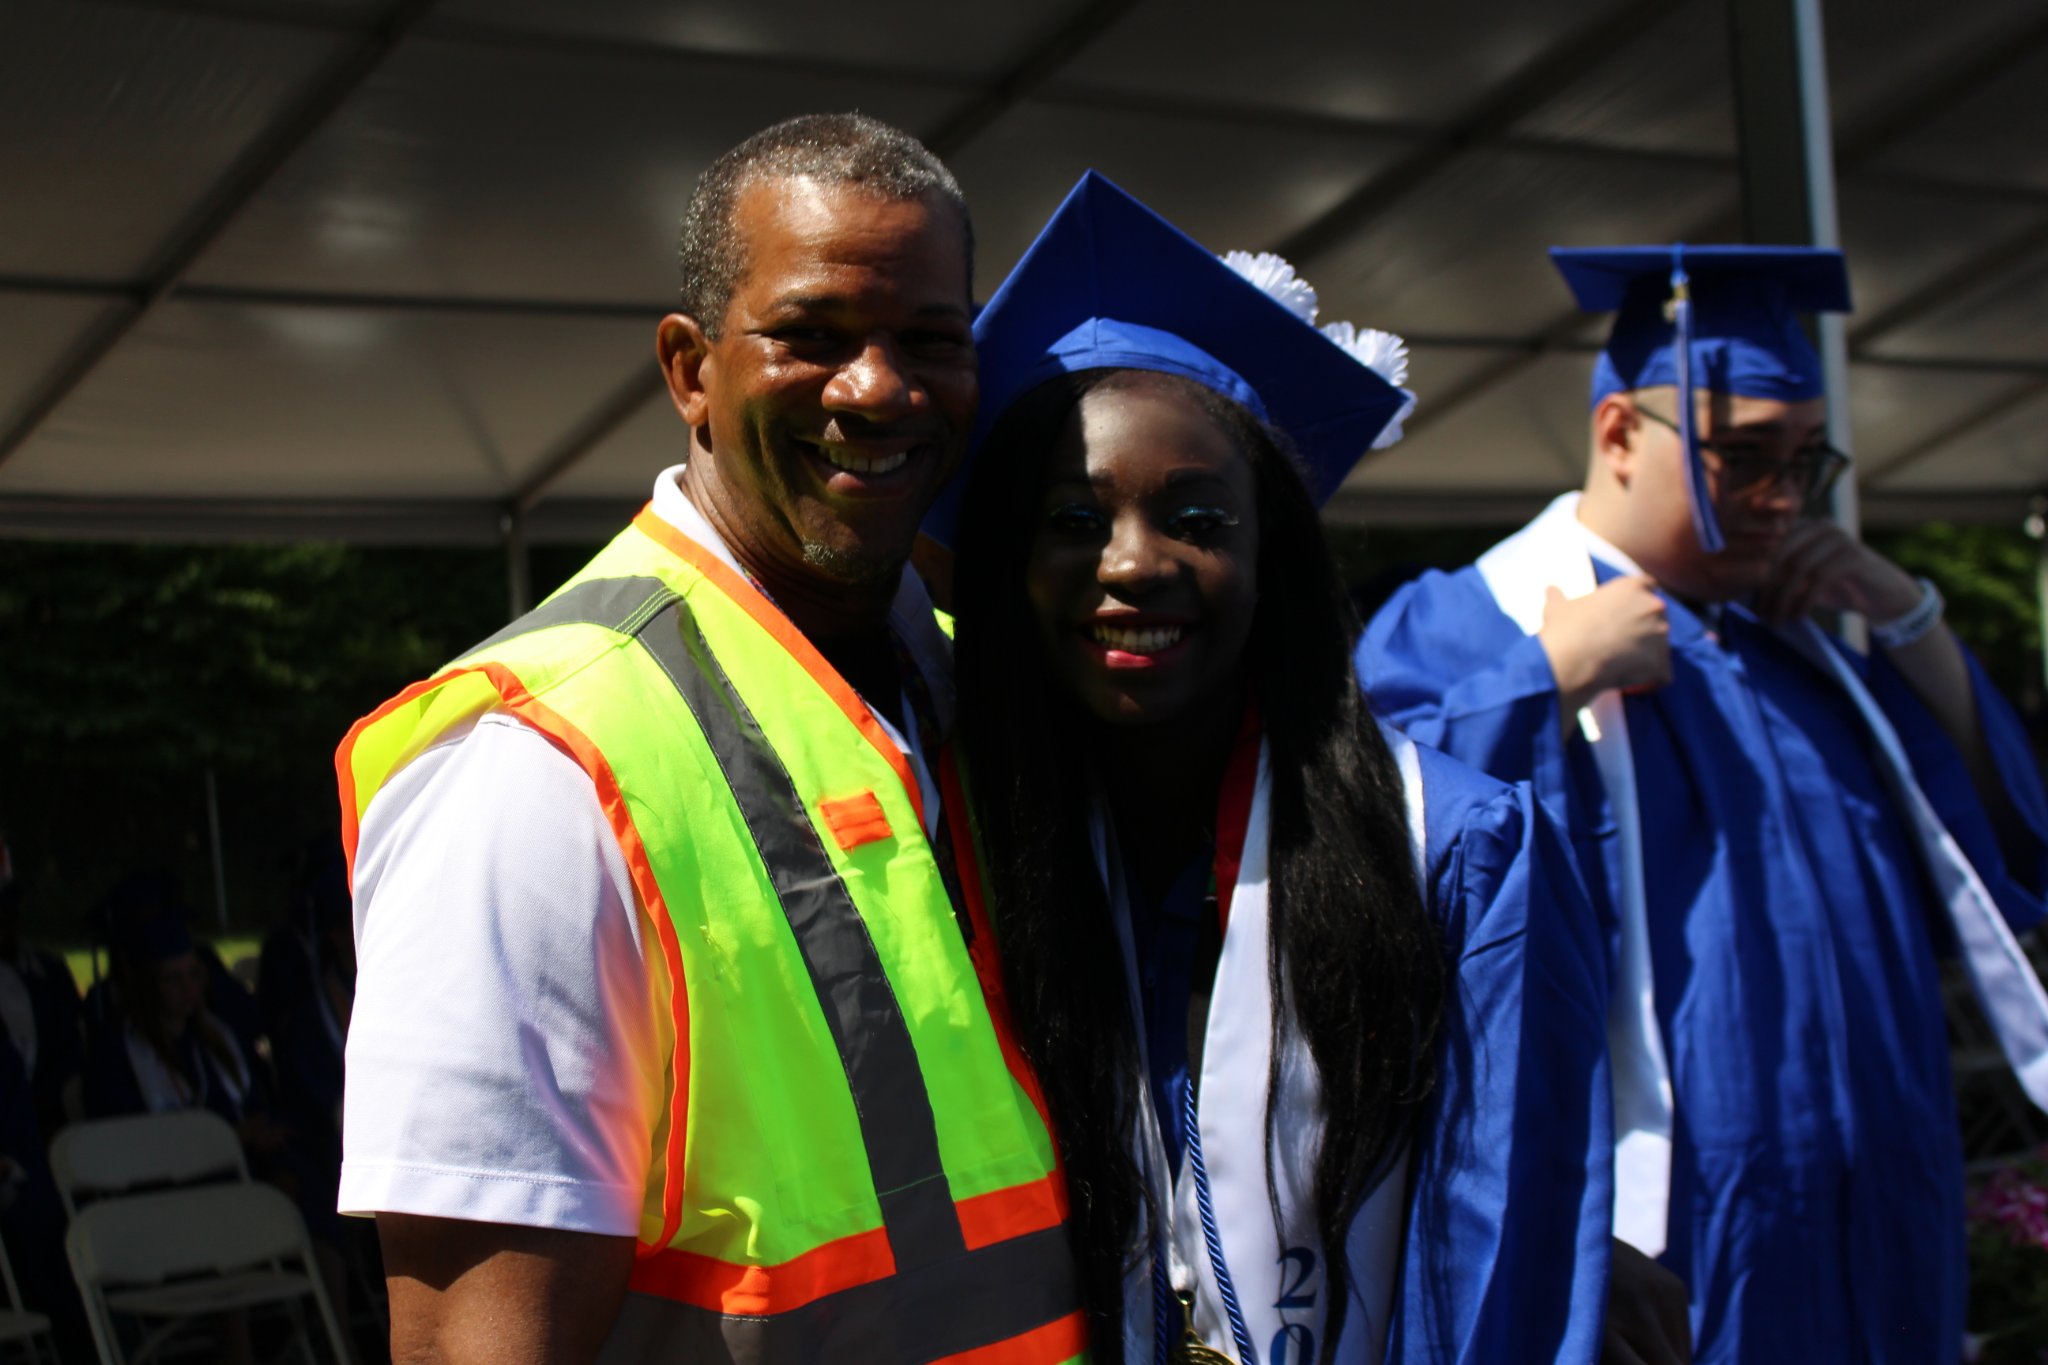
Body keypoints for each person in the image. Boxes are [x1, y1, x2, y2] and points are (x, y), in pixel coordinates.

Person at [335, 113, 1086, 1363]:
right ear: (689, 369)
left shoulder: (970, 679)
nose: (878, 387)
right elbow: (481, 1339)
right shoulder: (537, 762)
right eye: (811, 336)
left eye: (929, 340)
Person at [942, 172, 1636, 1363]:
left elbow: (1499, 1278)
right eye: (1071, 518)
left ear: (1274, 563)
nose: (1131, 563)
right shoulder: (967, 852)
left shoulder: (1454, 856)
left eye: (1198, 521)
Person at [1357, 244, 2048, 1363]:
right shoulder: (1471, 625)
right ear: (1620, 433)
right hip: (1673, 1249)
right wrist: (1544, 675)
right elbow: (1354, 843)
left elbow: (1995, 847)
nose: (1780, 497)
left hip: (1881, 1234)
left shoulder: (1806, 654)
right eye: (1742, 457)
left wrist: (1906, 614)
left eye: (1803, 460)